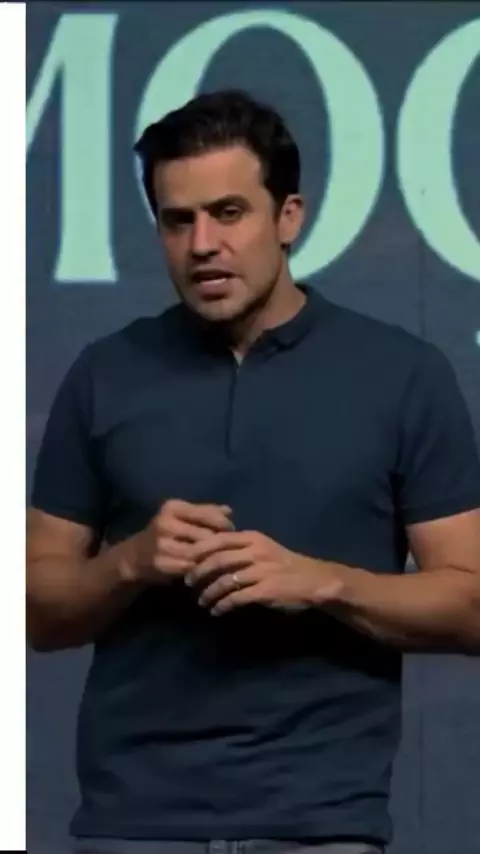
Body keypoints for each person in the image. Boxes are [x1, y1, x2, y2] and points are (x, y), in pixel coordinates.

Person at [27, 89, 480, 854]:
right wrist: (129, 562)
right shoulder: (105, 375)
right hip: (134, 825)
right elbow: (38, 611)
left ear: (288, 217)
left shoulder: (403, 374)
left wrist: (325, 583)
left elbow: (471, 604)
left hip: (322, 825)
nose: (203, 244)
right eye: (178, 220)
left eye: (229, 213)